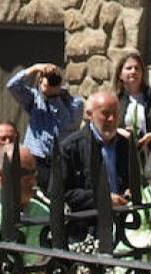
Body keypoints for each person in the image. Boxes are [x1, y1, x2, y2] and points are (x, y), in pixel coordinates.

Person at [55, 91, 135, 238]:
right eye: (105, 113)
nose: (111, 119)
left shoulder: (126, 145)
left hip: (124, 224)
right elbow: (61, 192)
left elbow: (135, 179)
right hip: (87, 227)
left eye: (115, 113)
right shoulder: (71, 147)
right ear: (89, 114)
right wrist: (103, 198)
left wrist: (132, 191)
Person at [6, 63, 82, 163]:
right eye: (48, 79)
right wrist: (35, 68)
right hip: (35, 157)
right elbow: (12, 86)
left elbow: (68, 125)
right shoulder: (34, 99)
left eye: (55, 79)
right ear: (40, 81)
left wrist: (55, 98)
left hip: (61, 159)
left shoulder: (72, 103)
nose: (52, 82)